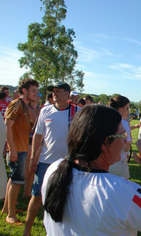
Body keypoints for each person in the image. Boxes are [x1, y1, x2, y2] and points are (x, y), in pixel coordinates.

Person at [41, 105, 141, 235]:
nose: (125, 142)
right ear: (105, 143)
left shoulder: (54, 168)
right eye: (122, 136)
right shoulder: (120, 191)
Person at [23, 82, 80, 236]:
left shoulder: (78, 112)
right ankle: (27, 231)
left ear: (67, 94)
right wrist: (34, 157)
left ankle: (56, 230)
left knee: (64, 198)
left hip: (68, 163)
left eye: (58, 91)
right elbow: (37, 136)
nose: (54, 93)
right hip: (45, 162)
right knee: (36, 197)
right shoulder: (45, 111)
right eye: (53, 91)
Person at [1, 78, 39, 225]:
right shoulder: (16, 104)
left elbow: (35, 121)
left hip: (22, 147)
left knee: (13, 179)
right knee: (17, 181)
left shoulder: (26, 106)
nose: (36, 93)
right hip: (17, 149)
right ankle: (10, 215)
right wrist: (12, 149)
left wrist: (34, 105)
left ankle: (6, 209)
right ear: (25, 91)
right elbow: (7, 126)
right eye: (33, 91)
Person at [107, 95, 132, 179]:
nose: (128, 111)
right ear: (120, 108)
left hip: (102, 162)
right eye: (127, 108)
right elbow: (126, 148)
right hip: (118, 161)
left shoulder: (102, 120)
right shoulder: (124, 123)